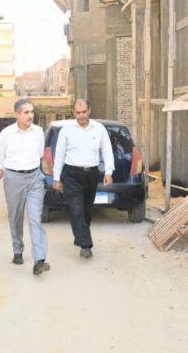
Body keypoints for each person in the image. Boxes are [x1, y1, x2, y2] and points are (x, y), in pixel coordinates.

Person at [52, 99, 114, 259]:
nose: (81, 116)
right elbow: (59, 155)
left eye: (84, 112)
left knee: (86, 210)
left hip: (92, 174)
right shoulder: (66, 130)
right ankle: (86, 245)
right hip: (71, 174)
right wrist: (56, 178)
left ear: (89, 111)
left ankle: (80, 236)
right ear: (73, 113)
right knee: (76, 209)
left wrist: (108, 172)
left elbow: (107, 150)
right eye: (78, 113)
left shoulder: (99, 129)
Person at [0, 99, 50, 275]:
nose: (30, 115)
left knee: (35, 218)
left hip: (35, 178)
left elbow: (40, 153)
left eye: (32, 112)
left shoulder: (39, 132)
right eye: (26, 112)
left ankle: (39, 260)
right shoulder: (6, 134)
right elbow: (1, 155)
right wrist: (2, 168)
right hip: (14, 178)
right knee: (15, 216)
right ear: (17, 114)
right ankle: (18, 249)